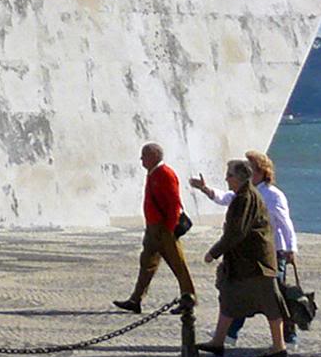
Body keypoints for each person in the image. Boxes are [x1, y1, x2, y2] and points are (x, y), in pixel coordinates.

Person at [192, 152, 295, 342]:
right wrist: (205, 189)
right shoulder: (245, 193)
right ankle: (226, 336)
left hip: (270, 253)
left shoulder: (270, 195)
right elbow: (224, 198)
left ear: (260, 172)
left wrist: (291, 249)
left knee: (274, 298)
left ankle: (287, 338)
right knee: (240, 297)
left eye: (230, 175)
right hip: (251, 256)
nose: (226, 178)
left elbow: (284, 223)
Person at [114, 141, 197, 311]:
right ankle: (135, 299)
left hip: (164, 229)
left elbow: (174, 204)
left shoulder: (165, 174)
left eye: (144, 156)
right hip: (153, 228)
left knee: (178, 264)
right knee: (147, 263)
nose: (141, 160)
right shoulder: (153, 173)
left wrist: (169, 228)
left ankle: (188, 298)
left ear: (154, 156)